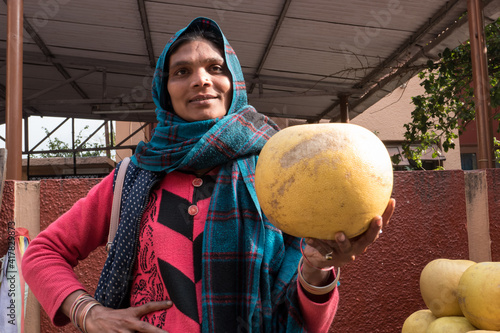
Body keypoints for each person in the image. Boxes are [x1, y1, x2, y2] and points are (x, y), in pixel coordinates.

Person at [22, 17, 395, 333]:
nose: (201, 80)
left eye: (215, 68)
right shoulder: (134, 176)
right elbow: (41, 254)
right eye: (182, 71)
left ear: (233, 83)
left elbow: (308, 320)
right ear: (165, 91)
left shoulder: (281, 172)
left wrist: (320, 266)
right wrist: (89, 314)